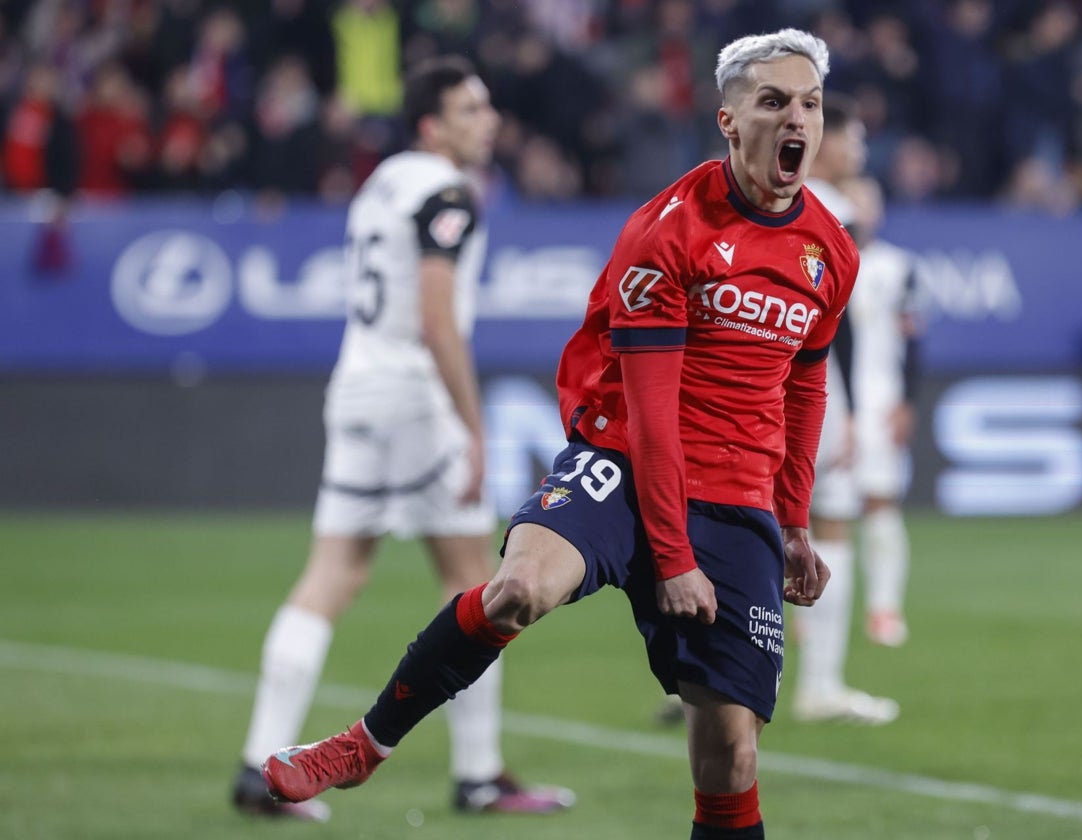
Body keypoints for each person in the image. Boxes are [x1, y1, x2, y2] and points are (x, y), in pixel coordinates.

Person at [261, 28, 855, 839]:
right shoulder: (667, 233)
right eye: (774, 101)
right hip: (625, 457)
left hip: (738, 490)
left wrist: (792, 521)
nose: (798, 119)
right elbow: (649, 410)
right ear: (728, 119)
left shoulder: (831, 250)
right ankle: (365, 743)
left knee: (731, 753)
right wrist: (672, 557)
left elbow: (805, 383)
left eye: (810, 104)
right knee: (515, 589)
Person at [231, 56, 574, 821]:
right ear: (432, 124)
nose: (488, 120)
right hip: (417, 400)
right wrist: (473, 425)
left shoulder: (382, 181)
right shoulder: (448, 193)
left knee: (331, 576)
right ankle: (479, 773)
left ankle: (260, 762)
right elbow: (436, 318)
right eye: (470, 109)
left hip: (354, 386)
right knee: (474, 584)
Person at [790, 95, 900, 725]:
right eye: (850, 140)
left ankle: (696, 672)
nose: (856, 151)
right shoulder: (839, 212)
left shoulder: (762, 195)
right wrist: (852, 409)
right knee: (829, 521)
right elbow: (841, 321)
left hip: (755, 386)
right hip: (811, 391)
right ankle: (821, 685)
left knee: (740, 523)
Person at [842, 174, 921, 653]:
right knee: (809, 511)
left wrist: (907, 401)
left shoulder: (899, 267)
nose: (862, 210)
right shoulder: (816, 257)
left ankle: (885, 608)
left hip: (879, 398)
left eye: (869, 201)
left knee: (879, 501)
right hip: (826, 399)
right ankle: (806, 612)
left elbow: (915, 343)